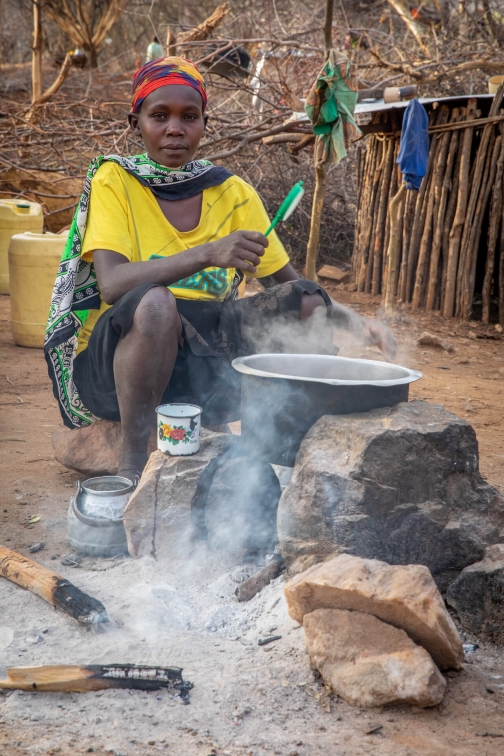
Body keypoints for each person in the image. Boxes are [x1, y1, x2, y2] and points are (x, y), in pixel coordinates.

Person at [44, 56, 395, 482]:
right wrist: (207, 253)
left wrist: (355, 321)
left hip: (210, 372)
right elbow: (114, 284)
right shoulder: (115, 181)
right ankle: (133, 470)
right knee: (154, 304)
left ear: (205, 123)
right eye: (160, 116)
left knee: (305, 299)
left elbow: (291, 288)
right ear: (135, 122)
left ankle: (282, 456)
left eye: (189, 117)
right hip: (124, 369)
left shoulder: (232, 192)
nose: (175, 128)